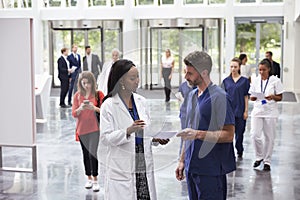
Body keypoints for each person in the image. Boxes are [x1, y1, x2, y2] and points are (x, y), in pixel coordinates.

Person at [100, 59, 169, 200]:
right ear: (121, 81)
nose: (137, 81)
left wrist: (154, 138)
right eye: (132, 78)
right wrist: (127, 131)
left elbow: (145, 131)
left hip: (142, 164)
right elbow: (105, 139)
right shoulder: (109, 105)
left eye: (137, 76)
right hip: (121, 168)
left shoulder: (141, 102)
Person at [175, 51, 236, 200]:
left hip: (211, 170)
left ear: (204, 72)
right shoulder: (192, 95)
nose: (186, 77)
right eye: (185, 72)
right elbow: (188, 130)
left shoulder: (220, 97)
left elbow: (228, 135)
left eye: (190, 73)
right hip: (192, 166)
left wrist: (198, 134)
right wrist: (182, 160)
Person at [72, 71, 104, 192]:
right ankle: (89, 178)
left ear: (92, 82)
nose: (86, 85)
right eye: (83, 83)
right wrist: (80, 108)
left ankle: (95, 179)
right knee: (85, 155)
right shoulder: (77, 96)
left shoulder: (98, 94)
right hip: (82, 130)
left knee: (93, 154)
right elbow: (74, 113)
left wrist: (94, 108)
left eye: (88, 83)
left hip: (95, 129)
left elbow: (105, 111)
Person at [249, 58, 284, 171]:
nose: (261, 72)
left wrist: (272, 96)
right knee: (254, 135)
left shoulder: (275, 81)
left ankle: (267, 161)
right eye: (259, 70)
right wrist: (253, 97)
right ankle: (259, 156)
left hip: (270, 112)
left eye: (263, 70)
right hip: (258, 110)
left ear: (269, 69)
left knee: (269, 137)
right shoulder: (256, 80)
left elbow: (280, 97)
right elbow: (251, 95)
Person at [221, 57, 250, 158]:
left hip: (240, 110)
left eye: (235, 67)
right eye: (231, 67)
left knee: (240, 133)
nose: (233, 69)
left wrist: (246, 111)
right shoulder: (226, 81)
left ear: (239, 67)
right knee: (228, 133)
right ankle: (229, 152)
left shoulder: (244, 81)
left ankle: (239, 149)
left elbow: (246, 96)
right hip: (229, 112)